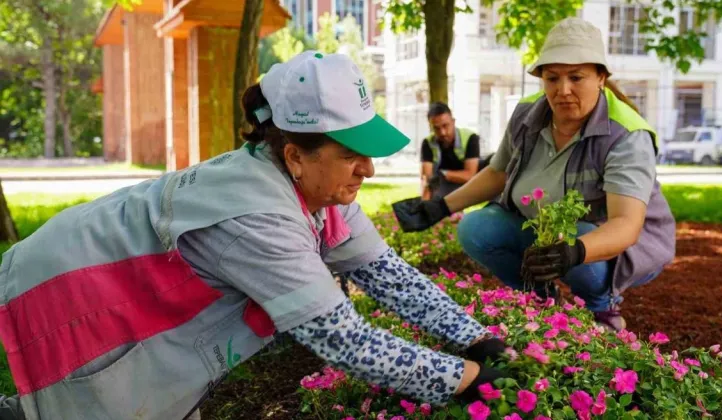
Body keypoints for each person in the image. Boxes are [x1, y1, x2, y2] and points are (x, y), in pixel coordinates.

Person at [0, 51, 508, 420]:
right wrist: (464, 380)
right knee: (98, 400)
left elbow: (388, 277)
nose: (369, 170)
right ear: (294, 155)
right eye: (352, 154)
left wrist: (476, 339)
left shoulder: (316, 187)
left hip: (102, 268)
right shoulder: (258, 215)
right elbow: (344, 341)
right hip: (75, 288)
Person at [393, 18, 676, 332]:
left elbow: (626, 224)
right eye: (552, 78)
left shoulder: (626, 134)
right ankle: (540, 300)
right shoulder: (528, 114)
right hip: (547, 232)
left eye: (576, 77)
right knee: (475, 228)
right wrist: (439, 207)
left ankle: (601, 308)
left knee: (577, 235)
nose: (562, 90)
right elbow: (498, 173)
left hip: (611, 245)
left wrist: (574, 252)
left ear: (600, 77)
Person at [420, 102, 482, 200]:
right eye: (436, 128)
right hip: (442, 185)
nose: (442, 132)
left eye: (445, 125)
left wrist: (444, 174)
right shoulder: (427, 143)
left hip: (470, 184)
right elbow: (427, 179)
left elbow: (470, 175)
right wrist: (424, 206)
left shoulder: (470, 138)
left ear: (453, 121)